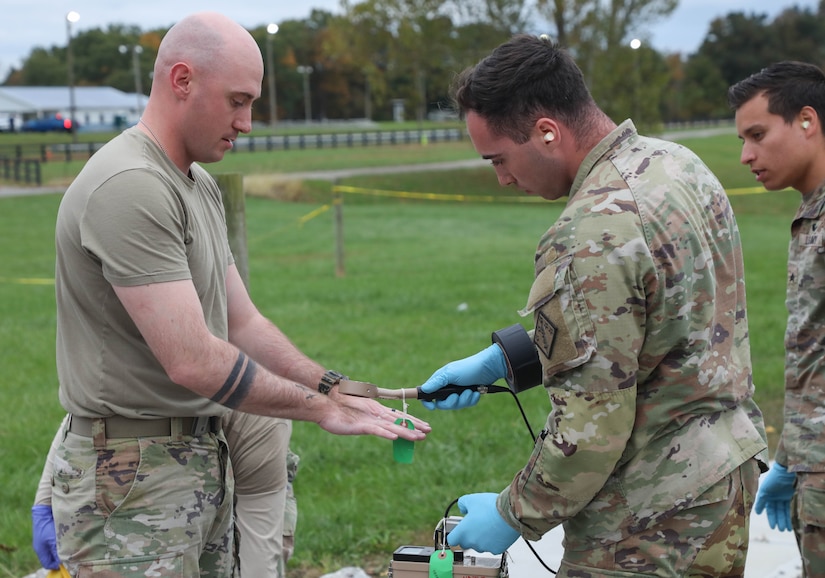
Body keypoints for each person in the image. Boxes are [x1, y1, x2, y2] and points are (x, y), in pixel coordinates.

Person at [46, 11, 428, 578]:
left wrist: (333, 387)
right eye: (238, 101)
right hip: (131, 482)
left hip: (197, 462)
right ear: (182, 81)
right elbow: (193, 359)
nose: (247, 123)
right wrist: (321, 411)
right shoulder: (130, 186)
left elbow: (242, 323)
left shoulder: (195, 184)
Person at [417, 34, 769, 576]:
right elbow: (654, 320)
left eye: (499, 159)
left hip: (646, 519)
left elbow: (591, 427)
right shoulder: (675, 165)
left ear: (546, 132)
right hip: (720, 478)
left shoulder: (589, 230)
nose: (503, 178)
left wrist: (514, 512)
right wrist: (507, 361)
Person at [728, 60, 825, 577]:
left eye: (758, 135)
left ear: (806, 120)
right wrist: (791, 454)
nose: (746, 155)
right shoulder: (811, 212)